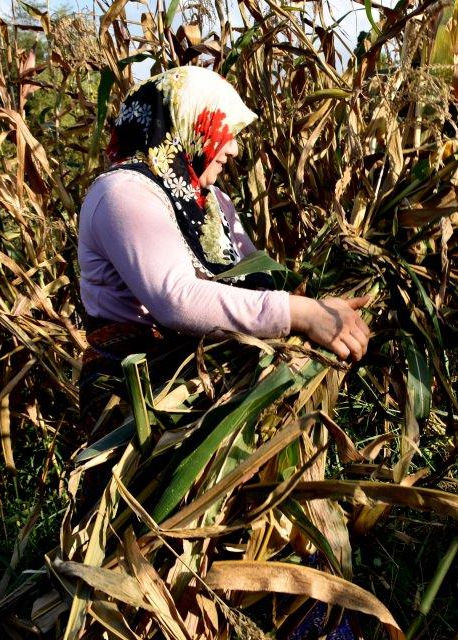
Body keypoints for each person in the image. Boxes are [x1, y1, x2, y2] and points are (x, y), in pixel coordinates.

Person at [77, 66, 370, 437]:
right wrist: (300, 313)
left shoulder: (210, 199)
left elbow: (252, 278)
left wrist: (321, 308)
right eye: (223, 130)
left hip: (204, 383)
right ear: (186, 121)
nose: (233, 147)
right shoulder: (123, 193)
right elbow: (177, 300)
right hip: (138, 401)